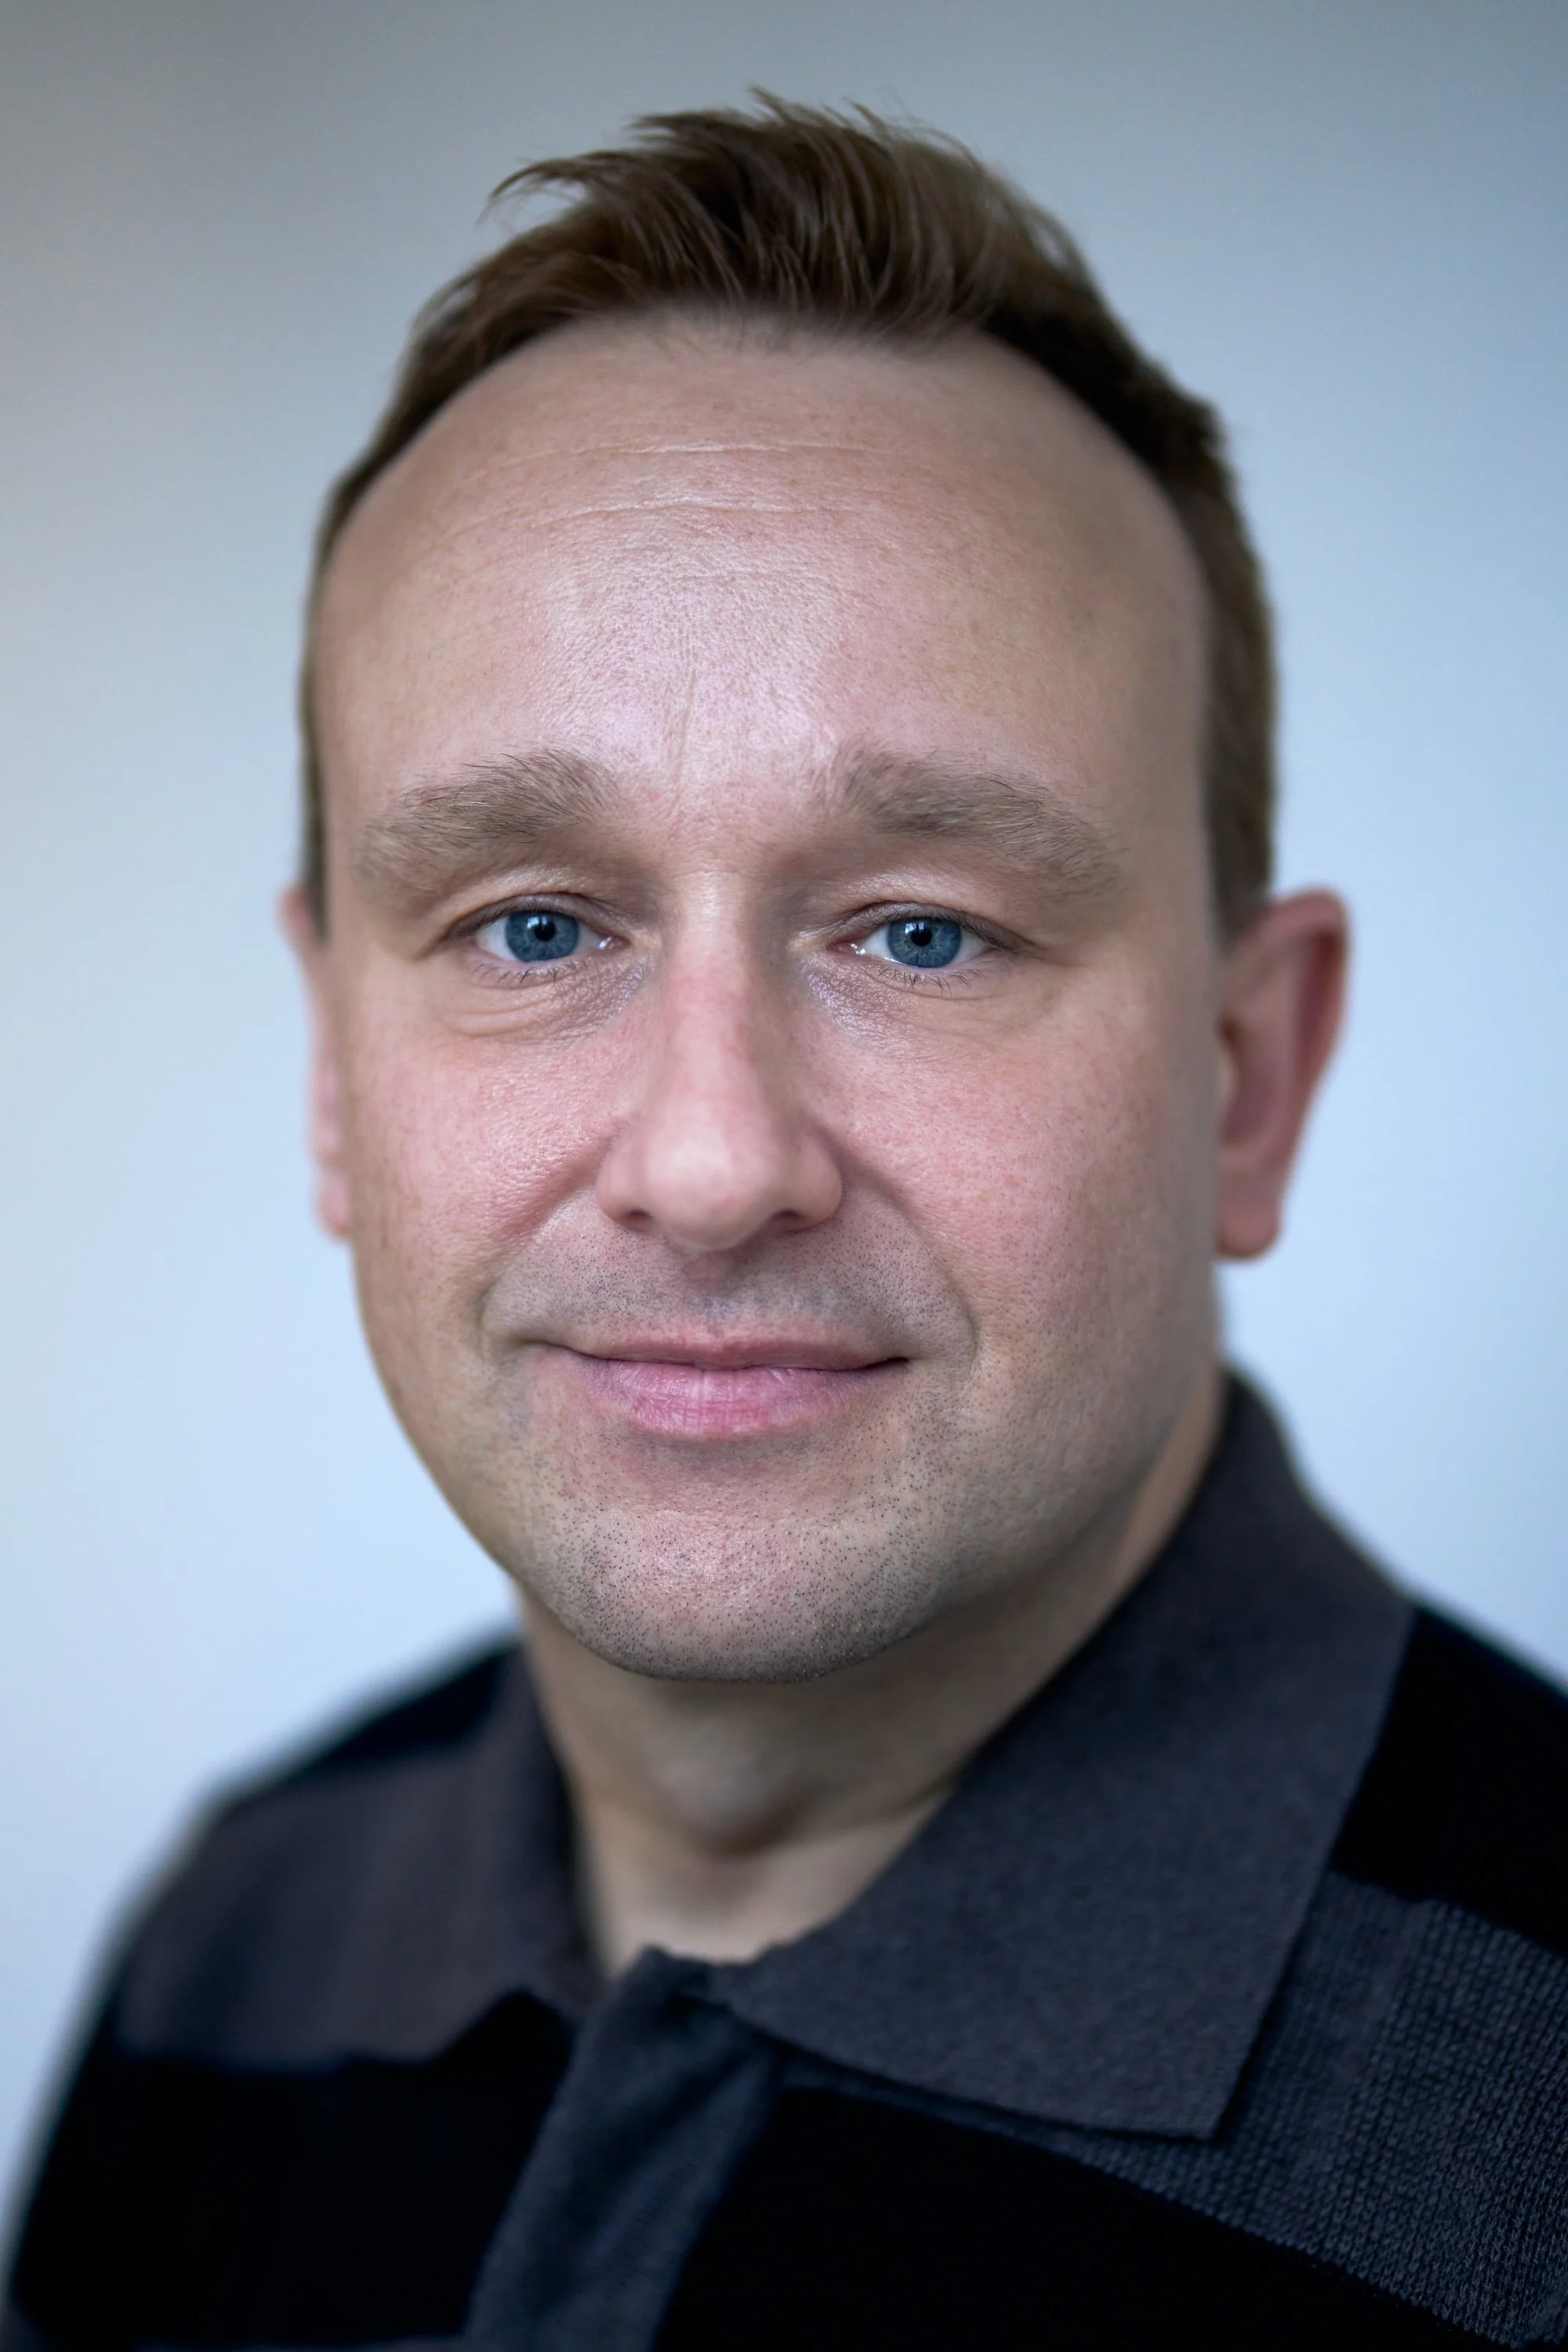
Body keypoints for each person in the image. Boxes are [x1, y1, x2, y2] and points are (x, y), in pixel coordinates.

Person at [6, 96, 1567, 2352]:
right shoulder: (238, 1942)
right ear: (338, 1069)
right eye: (535, 926)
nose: (718, 1161)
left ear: (1253, 1080)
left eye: (923, 934)